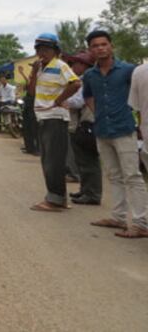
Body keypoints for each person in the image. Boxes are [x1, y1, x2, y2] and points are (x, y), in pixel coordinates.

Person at [83, 30, 147, 237]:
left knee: (133, 176)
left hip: (124, 129)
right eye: (95, 45)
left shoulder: (129, 70)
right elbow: (88, 97)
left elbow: (140, 95)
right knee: (114, 175)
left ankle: (141, 223)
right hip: (102, 130)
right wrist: (99, 114)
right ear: (90, 50)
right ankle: (119, 217)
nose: (100, 48)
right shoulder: (90, 75)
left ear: (111, 46)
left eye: (104, 44)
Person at [26, 33, 80, 213]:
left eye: (47, 49)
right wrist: (34, 71)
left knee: (53, 161)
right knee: (50, 159)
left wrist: (59, 100)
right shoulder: (41, 67)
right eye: (40, 49)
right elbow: (32, 92)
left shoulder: (60, 65)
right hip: (44, 116)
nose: (43, 52)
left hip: (55, 117)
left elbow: (76, 83)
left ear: (55, 51)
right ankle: (59, 198)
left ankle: (55, 200)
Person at [65, 51, 101, 205]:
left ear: (84, 65)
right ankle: (86, 190)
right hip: (82, 123)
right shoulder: (83, 79)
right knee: (82, 160)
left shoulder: (86, 80)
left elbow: (79, 102)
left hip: (87, 122)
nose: (73, 66)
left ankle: (92, 193)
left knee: (88, 160)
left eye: (76, 64)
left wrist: (62, 100)